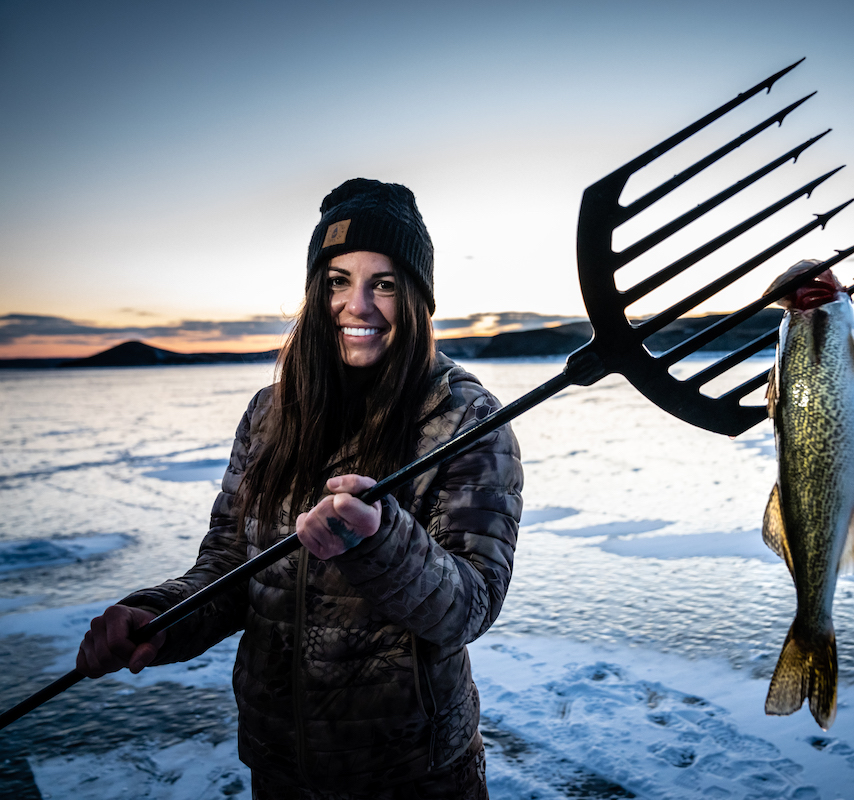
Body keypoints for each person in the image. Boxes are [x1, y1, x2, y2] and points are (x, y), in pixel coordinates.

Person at [75, 178, 523, 799]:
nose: (358, 305)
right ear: (316, 292)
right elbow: (231, 566)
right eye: (338, 280)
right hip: (279, 765)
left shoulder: (465, 420)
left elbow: (470, 607)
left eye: (384, 283)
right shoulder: (270, 414)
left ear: (417, 298)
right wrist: (158, 616)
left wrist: (379, 541)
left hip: (412, 774)